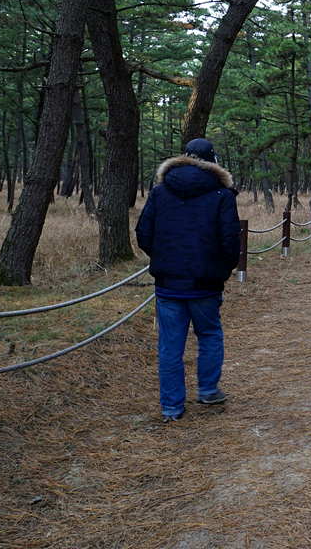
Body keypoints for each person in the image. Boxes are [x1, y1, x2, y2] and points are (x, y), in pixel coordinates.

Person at [135, 138, 241, 423]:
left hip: (168, 283)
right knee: (208, 334)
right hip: (206, 283)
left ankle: (171, 408)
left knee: (170, 345)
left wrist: (165, 259)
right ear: (212, 161)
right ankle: (207, 390)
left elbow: (144, 234)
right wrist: (223, 268)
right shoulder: (223, 194)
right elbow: (231, 241)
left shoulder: (160, 192)